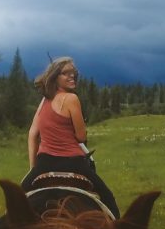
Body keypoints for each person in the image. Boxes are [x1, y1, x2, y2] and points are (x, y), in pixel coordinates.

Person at [22, 56, 120, 217]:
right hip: (73, 162)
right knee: (108, 198)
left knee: (16, 201)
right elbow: (81, 137)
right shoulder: (71, 99)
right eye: (65, 73)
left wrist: (33, 168)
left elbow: (32, 134)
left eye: (73, 73)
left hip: (45, 163)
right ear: (55, 77)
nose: (71, 76)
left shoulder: (44, 101)